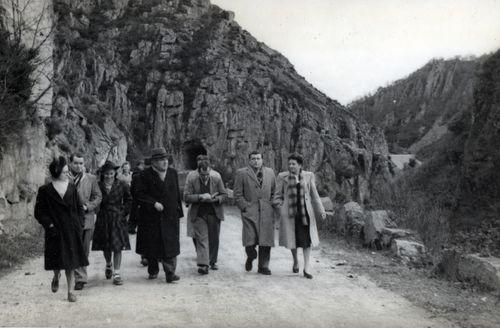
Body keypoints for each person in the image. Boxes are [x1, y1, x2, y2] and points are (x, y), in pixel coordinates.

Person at [34, 156, 88, 302]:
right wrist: (49, 225)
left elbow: (80, 208)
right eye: (64, 172)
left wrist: (80, 224)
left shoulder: (72, 188)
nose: (67, 174)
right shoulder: (45, 190)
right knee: (57, 260)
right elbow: (39, 212)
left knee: (71, 262)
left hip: (71, 230)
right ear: (57, 172)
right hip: (55, 231)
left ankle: (70, 292)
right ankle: (56, 275)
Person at [135, 147, 184, 283]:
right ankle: (153, 268)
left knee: (171, 244)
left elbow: (176, 195)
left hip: (170, 215)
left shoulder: (173, 173)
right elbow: (139, 194)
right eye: (161, 160)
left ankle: (170, 272)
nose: (165, 162)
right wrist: (153, 203)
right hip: (152, 216)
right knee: (153, 245)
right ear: (154, 162)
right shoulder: (145, 175)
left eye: (166, 159)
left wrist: (179, 210)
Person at [274, 154, 326, 279]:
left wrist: (321, 210)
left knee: (306, 241)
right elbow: (276, 197)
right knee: (293, 240)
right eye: (290, 164)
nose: (291, 166)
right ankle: (296, 260)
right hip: (290, 215)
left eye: (294, 164)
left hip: (305, 214)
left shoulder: (309, 176)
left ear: (300, 165)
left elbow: (314, 195)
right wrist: (282, 208)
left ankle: (306, 268)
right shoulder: (282, 177)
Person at [234, 150, 277, 275]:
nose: (256, 161)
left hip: (266, 212)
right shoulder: (242, 173)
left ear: (262, 160)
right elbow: (237, 194)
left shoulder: (270, 172)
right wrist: (244, 207)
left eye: (258, 158)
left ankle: (263, 266)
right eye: (253, 159)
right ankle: (251, 255)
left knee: (266, 240)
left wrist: (271, 204)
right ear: (249, 160)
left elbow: (274, 191)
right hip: (250, 212)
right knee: (250, 239)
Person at [184, 156, 227, 274]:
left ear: (210, 170)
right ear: (198, 171)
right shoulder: (191, 178)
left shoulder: (217, 177)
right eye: (203, 175)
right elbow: (186, 197)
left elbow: (224, 194)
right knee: (201, 238)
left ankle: (212, 261)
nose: (205, 177)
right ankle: (203, 264)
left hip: (214, 212)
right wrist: (200, 197)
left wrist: (216, 199)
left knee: (214, 238)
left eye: (207, 174)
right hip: (198, 213)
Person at [91, 161, 132, 285]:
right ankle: (109, 263)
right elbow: (94, 198)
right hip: (103, 218)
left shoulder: (122, 184)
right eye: (106, 174)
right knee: (106, 246)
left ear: (115, 173)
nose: (109, 176)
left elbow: (129, 199)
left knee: (118, 246)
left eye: (111, 173)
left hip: (117, 218)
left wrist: (123, 212)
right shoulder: (98, 185)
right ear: (102, 174)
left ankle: (117, 273)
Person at [68, 153, 102, 291]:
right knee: (72, 247)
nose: (79, 166)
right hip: (70, 219)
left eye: (81, 163)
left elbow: (98, 196)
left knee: (84, 248)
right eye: (76, 163)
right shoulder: (64, 178)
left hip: (86, 218)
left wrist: (88, 206)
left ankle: (81, 277)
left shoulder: (91, 179)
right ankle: (76, 277)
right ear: (70, 163)